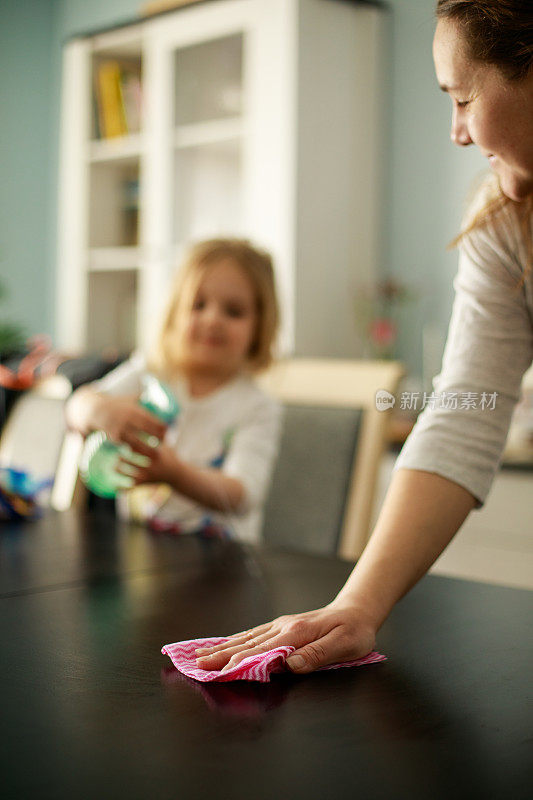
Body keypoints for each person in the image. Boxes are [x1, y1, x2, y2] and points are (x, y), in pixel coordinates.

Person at [195, 0, 533, 674]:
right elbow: (467, 406)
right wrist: (359, 603)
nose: (456, 132)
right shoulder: (501, 225)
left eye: (462, 98)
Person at [66, 238, 282, 543]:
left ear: (260, 327)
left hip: (225, 567)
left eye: (233, 311)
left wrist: (175, 474)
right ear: (175, 313)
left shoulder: (257, 407)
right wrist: (98, 410)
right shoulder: (152, 371)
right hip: (142, 554)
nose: (212, 320)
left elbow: (242, 496)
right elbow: (77, 405)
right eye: (198, 305)